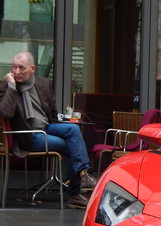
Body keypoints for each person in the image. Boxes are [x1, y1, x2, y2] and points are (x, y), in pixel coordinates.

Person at [0, 51, 96, 208]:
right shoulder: (6, 87)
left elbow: (51, 111)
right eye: (14, 68)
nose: (17, 72)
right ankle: (75, 192)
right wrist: (11, 86)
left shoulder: (43, 84)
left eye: (22, 68)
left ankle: (82, 174)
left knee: (73, 130)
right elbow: (5, 112)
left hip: (45, 127)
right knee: (73, 146)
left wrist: (60, 122)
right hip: (28, 136)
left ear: (32, 68)